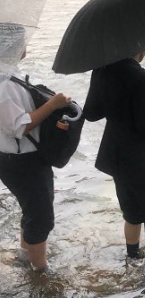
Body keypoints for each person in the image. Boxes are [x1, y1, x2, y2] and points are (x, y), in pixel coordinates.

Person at [83, 50, 145, 280]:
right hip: (142, 161)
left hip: (115, 156)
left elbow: (91, 113)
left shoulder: (102, 70)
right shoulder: (142, 79)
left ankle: (132, 257)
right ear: (142, 48)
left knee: (132, 212)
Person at [0, 23, 72, 271]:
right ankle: (40, 270)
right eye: (22, 42)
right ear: (12, 47)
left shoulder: (11, 73)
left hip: (26, 158)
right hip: (20, 161)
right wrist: (52, 105)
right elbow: (19, 126)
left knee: (33, 208)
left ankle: (24, 256)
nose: (25, 45)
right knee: (41, 217)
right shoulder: (3, 84)